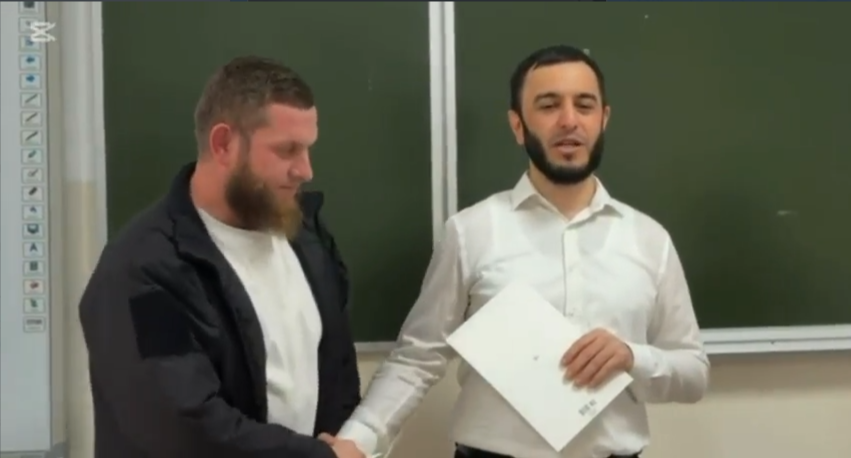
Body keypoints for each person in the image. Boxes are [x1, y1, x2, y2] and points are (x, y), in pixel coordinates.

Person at [336, 45, 710, 458]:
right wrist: (357, 440)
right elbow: (418, 357)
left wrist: (632, 357)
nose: (569, 120)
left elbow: (693, 372)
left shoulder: (649, 239)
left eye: (584, 105)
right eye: (548, 105)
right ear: (518, 125)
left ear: (603, 119)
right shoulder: (471, 232)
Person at [79, 56, 365, 458]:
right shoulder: (143, 270)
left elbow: (337, 369)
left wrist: (346, 441)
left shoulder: (306, 237)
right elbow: (183, 427)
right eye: (287, 150)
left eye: (307, 149)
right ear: (224, 144)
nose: (305, 170)